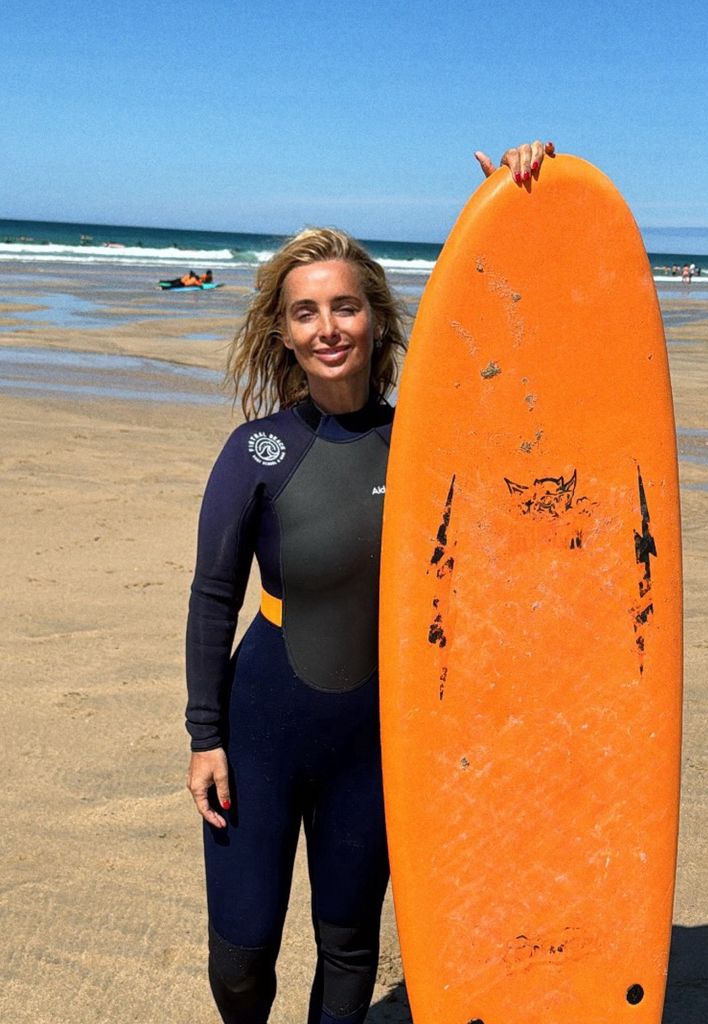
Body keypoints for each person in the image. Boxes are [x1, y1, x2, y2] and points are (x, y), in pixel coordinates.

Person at [185, 139, 556, 1024]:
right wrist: (206, 737)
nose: (327, 328)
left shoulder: (429, 444)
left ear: (376, 320)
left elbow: (522, 379)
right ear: (283, 331)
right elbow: (211, 600)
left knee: (350, 943)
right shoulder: (260, 451)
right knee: (242, 956)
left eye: (345, 307)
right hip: (264, 726)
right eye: (306, 312)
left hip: (380, 738)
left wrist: (516, 214)